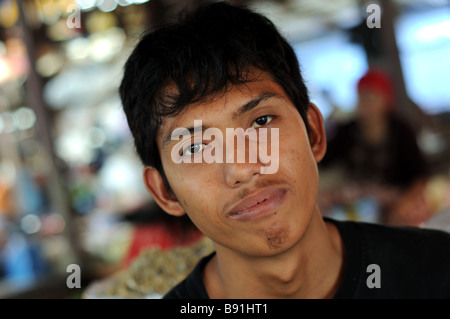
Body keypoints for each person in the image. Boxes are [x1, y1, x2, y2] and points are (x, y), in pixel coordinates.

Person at [119, 1, 450, 299]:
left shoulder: (436, 271)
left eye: (261, 121)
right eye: (194, 148)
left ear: (314, 133)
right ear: (165, 192)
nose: (243, 168)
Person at [319, 69, 431, 226]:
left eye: (371, 97)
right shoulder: (346, 130)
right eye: (362, 97)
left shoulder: (401, 130)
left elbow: (419, 175)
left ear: (385, 100)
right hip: (355, 197)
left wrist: (404, 202)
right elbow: (322, 159)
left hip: (393, 198)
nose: (365, 103)